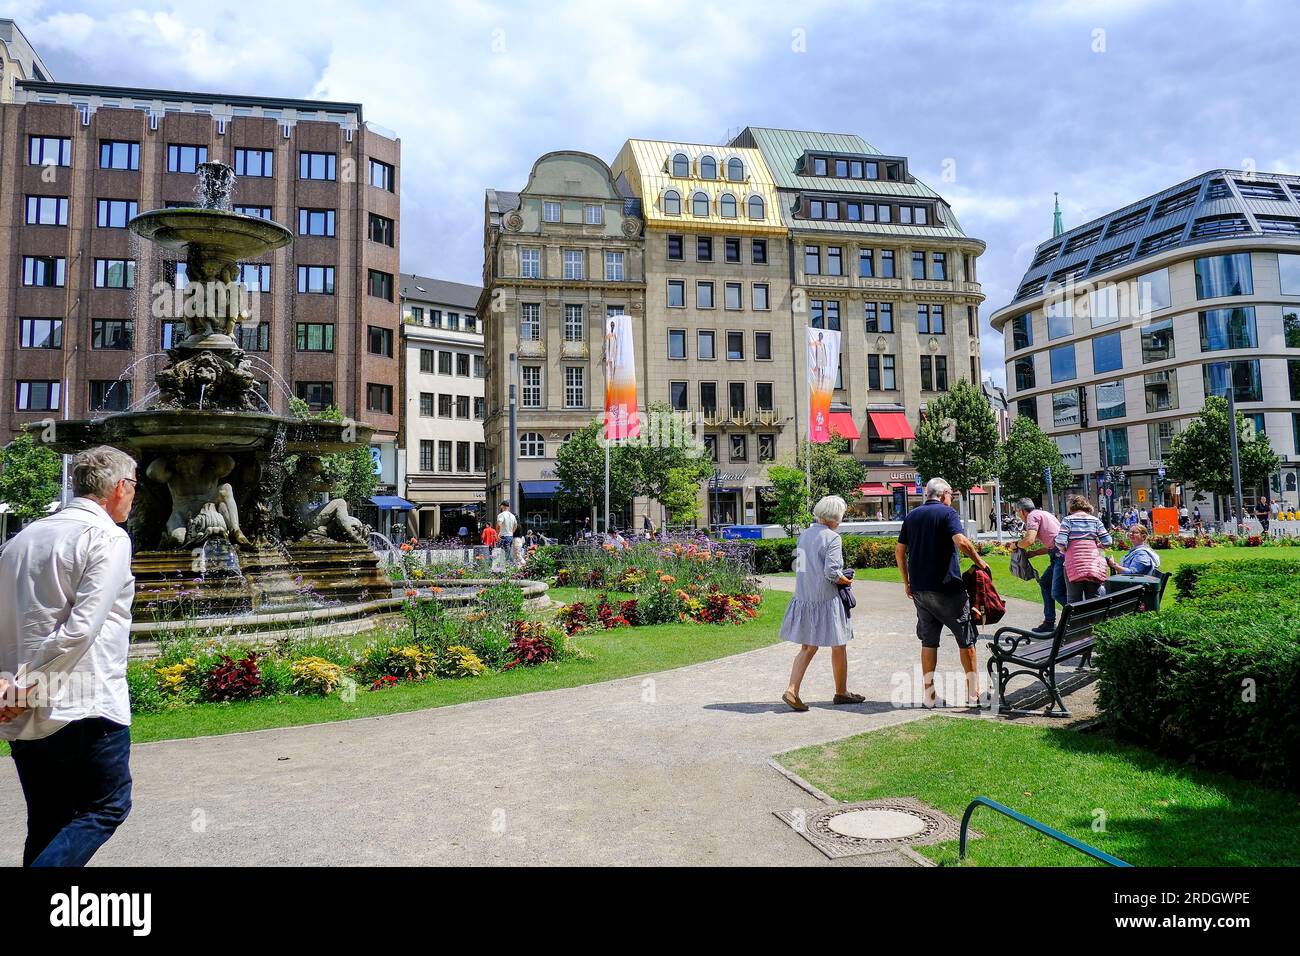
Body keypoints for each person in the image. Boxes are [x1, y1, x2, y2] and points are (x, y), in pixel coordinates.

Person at [0, 446, 138, 867]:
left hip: (23, 705)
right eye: (134, 487)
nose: (134, 497)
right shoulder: (107, 538)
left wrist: (7, 683)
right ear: (119, 487)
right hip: (85, 702)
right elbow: (81, 628)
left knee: (48, 820)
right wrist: (27, 686)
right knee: (107, 806)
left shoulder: (21, 540)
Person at [895, 478, 990, 708]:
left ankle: (929, 695)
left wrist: (907, 581)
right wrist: (980, 562)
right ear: (945, 493)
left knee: (929, 641)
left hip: (920, 589)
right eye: (952, 496)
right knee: (966, 639)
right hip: (947, 588)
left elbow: (899, 551)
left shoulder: (912, 516)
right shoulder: (948, 514)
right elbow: (962, 542)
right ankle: (973, 693)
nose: (952, 499)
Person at [780, 496, 863, 711]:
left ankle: (792, 689)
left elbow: (801, 567)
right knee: (839, 643)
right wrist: (845, 579)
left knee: (807, 647)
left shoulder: (805, 535)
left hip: (805, 596)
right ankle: (841, 691)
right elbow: (831, 573)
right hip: (827, 599)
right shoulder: (832, 538)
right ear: (835, 517)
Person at [1012, 497, 1065, 635]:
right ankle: (1049, 622)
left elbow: (1029, 540)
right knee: (1045, 584)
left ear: (1022, 511)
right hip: (1059, 554)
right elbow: (1052, 545)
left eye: (1018, 513)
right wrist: (1034, 553)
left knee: (1057, 592)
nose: (1019, 516)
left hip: (1061, 557)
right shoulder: (1045, 514)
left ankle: (1082, 617)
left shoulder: (1032, 516)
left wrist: (1016, 544)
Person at [1055, 495, 1113, 603]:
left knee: (1074, 599)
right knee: (1094, 599)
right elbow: (1108, 541)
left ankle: (1077, 620)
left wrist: (1064, 550)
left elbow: (1060, 541)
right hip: (1093, 563)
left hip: (1074, 563)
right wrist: (1097, 546)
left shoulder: (1068, 520)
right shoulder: (1095, 521)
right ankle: (1094, 620)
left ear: (1071, 507)